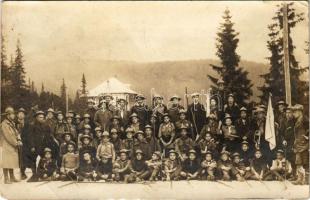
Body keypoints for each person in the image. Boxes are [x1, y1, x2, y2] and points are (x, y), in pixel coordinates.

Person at [0, 107, 22, 184]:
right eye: (12, 114)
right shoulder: (4, 124)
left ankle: (12, 177)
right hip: (7, 145)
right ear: (8, 115)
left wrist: (19, 139)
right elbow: (8, 136)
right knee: (6, 162)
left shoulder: (12, 123)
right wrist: (16, 143)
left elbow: (16, 132)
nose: (14, 115)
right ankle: (6, 179)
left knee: (11, 162)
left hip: (12, 146)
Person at [27, 110, 51, 182]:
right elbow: (30, 137)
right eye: (40, 117)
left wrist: (47, 146)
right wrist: (32, 146)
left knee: (43, 160)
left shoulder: (46, 125)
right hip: (35, 146)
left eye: (43, 117)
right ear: (36, 117)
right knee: (33, 161)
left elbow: (48, 136)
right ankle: (34, 175)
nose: (42, 118)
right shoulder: (32, 125)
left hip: (43, 146)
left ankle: (42, 174)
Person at [291, 104, 308, 185]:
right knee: (298, 162)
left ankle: (307, 180)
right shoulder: (298, 121)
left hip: (304, 145)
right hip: (298, 145)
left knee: (305, 162)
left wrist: (307, 137)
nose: (293, 113)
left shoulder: (305, 120)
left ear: (300, 112)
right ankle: (299, 179)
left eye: (295, 112)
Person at [16, 108, 30, 180]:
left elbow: (29, 133)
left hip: (25, 143)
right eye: (20, 113)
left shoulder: (27, 123)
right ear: (17, 115)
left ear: (24, 115)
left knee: (24, 158)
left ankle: (22, 172)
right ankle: (20, 172)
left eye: (23, 113)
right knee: (18, 158)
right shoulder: (14, 123)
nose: (21, 115)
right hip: (16, 142)